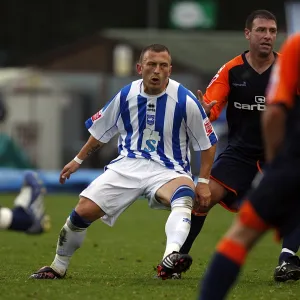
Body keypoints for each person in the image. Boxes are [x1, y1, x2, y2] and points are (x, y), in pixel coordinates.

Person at [29, 44, 218, 280]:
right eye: (151, 64)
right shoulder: (126, 94)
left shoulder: (186, 100)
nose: (156, 70)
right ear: (140, 68)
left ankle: (170, 259)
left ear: (171, 69)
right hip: (127, 165)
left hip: (169, 169)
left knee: (183, 196)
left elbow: (208, 142)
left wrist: (202, 181)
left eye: (162, 65)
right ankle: (57, 267)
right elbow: (101, 131)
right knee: (82, 212)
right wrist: (78, 159)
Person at [178, 9, 300, 281]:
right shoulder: (232, 70)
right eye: (261, 30)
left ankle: (287, 261)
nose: (267, 36)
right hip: (240, 154)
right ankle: (178, 257)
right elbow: (210, 106)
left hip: (280, 154)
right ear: (248, 34)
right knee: (202, 197)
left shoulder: (287, 68)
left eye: (272, 31)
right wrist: (206, 110)